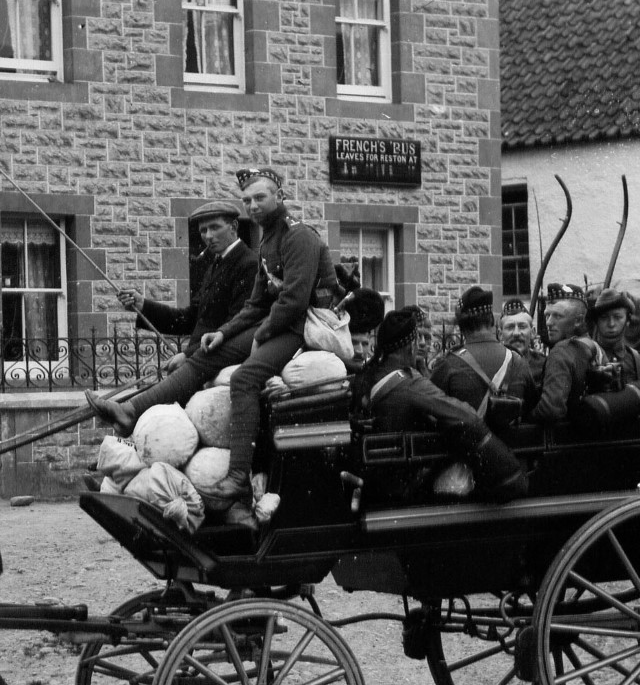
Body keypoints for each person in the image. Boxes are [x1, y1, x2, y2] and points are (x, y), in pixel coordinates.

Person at [89, 166, 341, 502]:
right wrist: (222, 334)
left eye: (260, 198)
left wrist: (261, 334)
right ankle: (130, 411)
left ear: (280, 197)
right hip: (279, 322)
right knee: (207, 354)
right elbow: (255, 304)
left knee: (244, 379)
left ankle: (238, 476)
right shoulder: (268, 241)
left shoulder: (298, 236)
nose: (253, 206)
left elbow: (294, 301)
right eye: (247, 200)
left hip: (301, 325)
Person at [354, 306, 527, 501]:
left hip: (377, 478)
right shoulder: (409, 383)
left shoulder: (367, 376)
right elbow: (462, 415)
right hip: (406, 487)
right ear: (410, 346)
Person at [114, 200, 259, 375]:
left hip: (221, 366)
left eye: (215, 227)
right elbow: (190, 319)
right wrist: (143, 305)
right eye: (203, 230)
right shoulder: (215, 265)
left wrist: (188, 355)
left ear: (233, 226)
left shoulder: (249, 264)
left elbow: (234, 326)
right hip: (201, 362)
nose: (208, 236)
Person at [429, 286, 535, 418]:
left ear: (461, 326)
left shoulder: (448, 364)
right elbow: (532, 411)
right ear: (491, 320)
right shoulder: (518, 362)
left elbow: (431, 414)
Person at [529, 283, 602, 423]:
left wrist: (527, 420)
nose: (548, 323)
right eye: (547, 315)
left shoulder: (561, 352)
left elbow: (550, 410)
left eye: (557, 316)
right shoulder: (596, 347)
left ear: (578, 320)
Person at [588, 287, 640, 387]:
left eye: (617, 317)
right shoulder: (586, 358)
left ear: (628, 321)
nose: (611, 324)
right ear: (596, 321)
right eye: (604, 317)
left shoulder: (639, 361)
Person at [498, 297, 546, 387]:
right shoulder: (494, 364)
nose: (516, 333)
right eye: (510, 327)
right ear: (500, 334)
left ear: (533, 332)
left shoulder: (544, 365)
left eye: (522, 327)